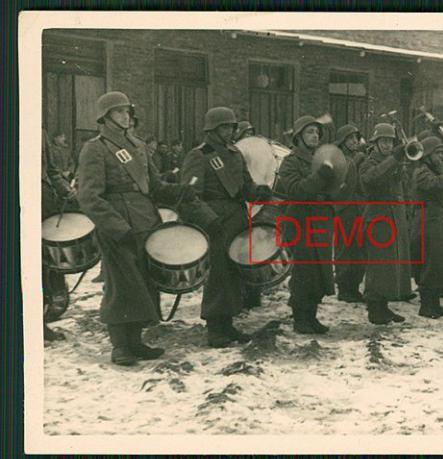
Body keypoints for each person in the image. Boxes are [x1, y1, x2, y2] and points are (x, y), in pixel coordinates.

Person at [77, 91, 177, 365]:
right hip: (117, 224)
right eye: (119, 111)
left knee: (143, 281)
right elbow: (89, 196)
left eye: (127, 111)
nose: (126, 116)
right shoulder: (96, 148)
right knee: (121, 284)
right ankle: (120, 346)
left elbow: (154, 185)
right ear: (105, 117)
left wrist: (179, 191)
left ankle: (136, 341)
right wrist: (117, 227)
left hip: (145, 220)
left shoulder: (138, 145)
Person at [180, 107, 268, 347]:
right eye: (224, 127)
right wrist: (208, 219)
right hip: (215, 222)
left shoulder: (235, 153)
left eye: (231, 127)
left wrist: (259, 193)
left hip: (237, 219)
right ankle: (214, 327)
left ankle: (227, 323)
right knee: (218, 274)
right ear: (212, 129)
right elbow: (189, 195)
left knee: (234, 274)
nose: (229, 131)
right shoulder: (199, 155)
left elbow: (245, 187)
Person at [275, 116, 336, 335]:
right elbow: (296, 190)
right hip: (301, 221)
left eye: (317, 132)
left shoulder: (319, 159)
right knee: (304, 272)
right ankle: (301, 318)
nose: (315, 136)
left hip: (321, 220)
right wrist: (320, 177)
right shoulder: (290, 162)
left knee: (320, 271)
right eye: (310, 132)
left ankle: (311, 315)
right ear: (299, 136)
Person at [358, 123, 407, 327]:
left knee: (389, 264)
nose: (387, 145)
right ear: (375, 143)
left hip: (391, 216)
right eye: (384, 141)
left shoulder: (390, 161)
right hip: (377, 217)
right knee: (378, 264)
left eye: (390, 141)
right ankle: (374, 308)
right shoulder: (367, 162)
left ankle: (383, 305)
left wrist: (400, 163)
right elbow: (372, 178)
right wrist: (394, 159)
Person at [410, 134, 443, 319]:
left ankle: (435, 304)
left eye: (441, 153)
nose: (440, 157)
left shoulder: (436, 170)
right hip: (428, 222)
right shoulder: (422, 172)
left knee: (440, 263)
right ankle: (426, 306)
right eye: (437, 153)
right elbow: (437, 184)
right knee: (430, 263)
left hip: (438, 221)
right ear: (428, 155)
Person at [41, 128, 76, 340]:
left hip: (42, 204)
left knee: (44, 264)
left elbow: (51, 170)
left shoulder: (41, 132)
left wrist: (65, 189)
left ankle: (40, 321)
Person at [333, 123, 365, 303]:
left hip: (358, 208)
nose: (355, 141)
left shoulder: (357, 158)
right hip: (344, 210)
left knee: (358, 249)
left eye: (356, 138)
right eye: (350, 138)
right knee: (344, 249)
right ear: (342, 141)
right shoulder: (338, 159)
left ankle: (354, 287)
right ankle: (344, 289)